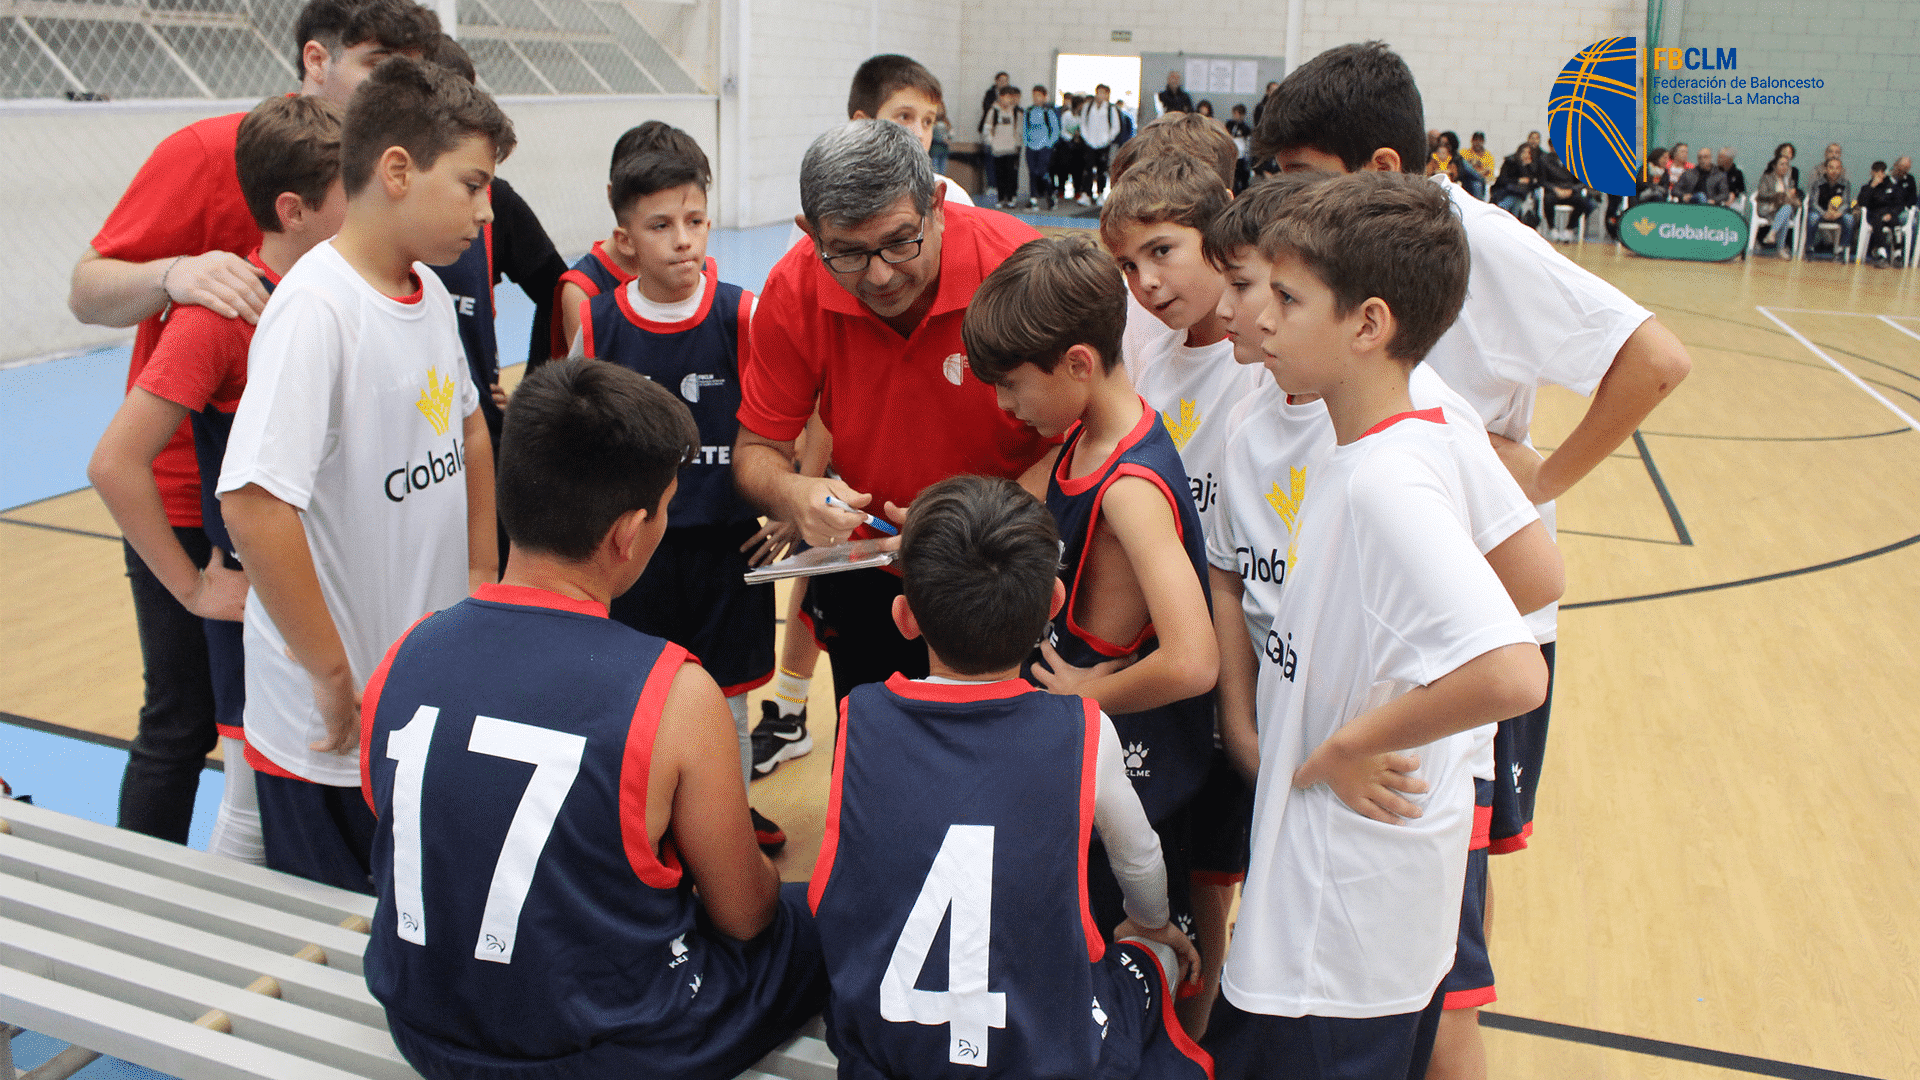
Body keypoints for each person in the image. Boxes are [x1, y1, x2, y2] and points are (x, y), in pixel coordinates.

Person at [1251, 42, 1690, 1078]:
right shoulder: (1361, 403)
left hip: (1463, 641)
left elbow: (1655, 359)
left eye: (1303, 180)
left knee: (1446, 963)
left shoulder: (1477, 243)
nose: (1282, 206)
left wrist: (1534, 483)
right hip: (1393, 621)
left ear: (1387, 168)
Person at [361, 359, 827, 1080]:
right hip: (600, 1054)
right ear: (629, 532)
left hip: (421, 1027)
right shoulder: (672, 691)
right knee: (816, 911)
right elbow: (744, 916)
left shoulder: (404, 653)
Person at [1198, 176, 1563, 1048]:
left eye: (1287, 299)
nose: (1262, 319)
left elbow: (1515, 671)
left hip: (1337, 934)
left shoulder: (1383, 484)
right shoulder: (1414, 429)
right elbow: (1535, 567)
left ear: (1367, 325)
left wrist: (1354, 739)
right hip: (1361, 913)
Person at [66, 0, 438, 848]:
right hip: (199, 497)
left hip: (309, 498)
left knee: (282, 739)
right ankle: (146, 910)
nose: (402, 87)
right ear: (317, 61)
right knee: (189, 722)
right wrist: (175, 271)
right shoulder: (206, 157)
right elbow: (87, 289)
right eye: (380, 65)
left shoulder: (393, 175)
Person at [216, 56, 511, 891]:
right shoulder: (317, 310)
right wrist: (329, 671)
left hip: (412, 697)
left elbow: (469, 433)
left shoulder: (422, 287)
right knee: (338, 944)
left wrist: (480, 573)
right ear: (395, 171)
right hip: (330, 730)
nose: (486, 212)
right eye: (472, 185)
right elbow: (252, 503)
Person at [809, 473, 1210, 1078]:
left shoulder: (856, 718)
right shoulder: (1082, 725)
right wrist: (1150, 925)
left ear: (904, 617)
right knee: (1157, 949)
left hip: (889, 1047)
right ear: (1053, 603)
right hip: (1047, 1052)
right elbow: (1141, 862)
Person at [86, 95, 348, 866]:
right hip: (253, 598)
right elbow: (113, 462)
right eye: (352, 191)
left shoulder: (335, 298)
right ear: (295, 210)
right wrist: (193, 588)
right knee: (244, 799)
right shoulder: (221, 315)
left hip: (316, 585)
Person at [964, 234, 1219, 965]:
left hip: (1137, 768)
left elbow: (1195, 661)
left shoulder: (1131, 489)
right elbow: (1021, 498)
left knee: (1128, 950)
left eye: (1011, 384)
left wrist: (1084, 695)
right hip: (1095, 746)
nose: (1004, 404)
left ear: (1077, 363)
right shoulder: (1086, 433)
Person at [733, 119, 1054, 702]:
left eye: (900, 241)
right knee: (878, 758)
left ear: (935, 203)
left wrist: (970, 529)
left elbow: (1087, 442)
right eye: (848, 253)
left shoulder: (1016, 268)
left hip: (1010, 566)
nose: (880, 275)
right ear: (810, 234)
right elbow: (756, 455)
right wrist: (793, 495)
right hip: (873, 575)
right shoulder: (794, 290)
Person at [572, 134, 788, 852]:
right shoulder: (597, 326)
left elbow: (805, 412)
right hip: (635, 553)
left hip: (728, 547)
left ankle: (731, 821)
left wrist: (788, 502)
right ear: (623, 234)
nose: (683, 240)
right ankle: (645, 828)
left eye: (695, 220)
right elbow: (572, 440)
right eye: (661, 225)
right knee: (637, 698)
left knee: (728, 702)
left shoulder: (743, 315)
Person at [554, 121, 713, 357]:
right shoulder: (584, 289)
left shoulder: (692, 264)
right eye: (661, 223)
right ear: (613, 194)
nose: (683, 239)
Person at [981, 85, 1024, 208]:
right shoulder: (993, 111)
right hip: (998, 149)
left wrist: (1017, 144)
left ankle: (1011, 198)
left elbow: (1019, 130)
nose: (1007, 100)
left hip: (1011, 149)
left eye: (1010, 97)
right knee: (999, 175)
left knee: (1011, 174)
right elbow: (987, 128)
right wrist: (991, 142)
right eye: (1005, 97)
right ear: (1000, 97)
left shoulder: (1016, 112)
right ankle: (1000, 198)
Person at [1080, 84, 1125, 203]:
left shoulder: (1111, 109)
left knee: (1102, 170)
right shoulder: (1088, 107)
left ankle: (1100, 193)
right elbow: (1083, 123)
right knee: (1088, 169)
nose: (1100, 95)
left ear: (1107, 95)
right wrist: (1087, 138)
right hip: (1090, 142)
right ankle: (1087, 194)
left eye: (1103, 93)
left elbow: (1116, 127)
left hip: (1104, 144)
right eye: (1098, 92)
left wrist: (1107, 139)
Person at [1856, 160, 1904, 266]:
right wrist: (1872, 186)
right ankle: (1882, 255)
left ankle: (1898, 255)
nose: (1880, 174)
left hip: (1890, 214)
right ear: (1872, 172)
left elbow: (1899, 204)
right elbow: (1862, 203)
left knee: (1896, 223)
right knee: (1877, 222)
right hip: (1875, 215)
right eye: (1877, 171)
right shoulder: (1867, 187)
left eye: (1882, 171)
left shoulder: (1892, 186)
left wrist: (1891, 214)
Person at [1023, 84, 1063, 209]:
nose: (1036, 98)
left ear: (1045, 97)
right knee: (1032, 173)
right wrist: (1027, 142)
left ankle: (1051, 196)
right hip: (1031, 147)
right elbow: (1025, 128)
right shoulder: (1029, 111)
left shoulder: (1048, 112)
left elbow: (1055, 130)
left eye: (1039, 96)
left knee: (1043, 172)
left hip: (1044, 147)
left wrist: (1049, 144)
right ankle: (1033, 198)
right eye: (1034, 96)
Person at [1756, 154, 1802, 256]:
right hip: (1768, 207)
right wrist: (1779, 195)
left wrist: (1789, 196)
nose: (1785, 167)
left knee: (1787, 209)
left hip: (1782, 209)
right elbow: (1762, 194)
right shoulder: (1767, 178)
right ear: (1774, 166)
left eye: (1787, 164)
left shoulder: (1789, 181)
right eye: (1782, 164)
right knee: (1786, 212)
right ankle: (1780, 249)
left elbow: (1792, 198)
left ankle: (1772, 233)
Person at [1809, 156, 1855, 257]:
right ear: (1826, 169)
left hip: (1837, 214)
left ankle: (1841, 249)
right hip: (1821, 213)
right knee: (1812, 217)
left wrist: (1839, 213)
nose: (1834, 171)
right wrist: (1824, 213)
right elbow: (1813, 203)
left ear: (1841, 169)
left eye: (1837, 168)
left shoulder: (1845, 184)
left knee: (1849, 219)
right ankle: (1809, 246)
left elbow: (1846, 203)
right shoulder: (1817, 183)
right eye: (1831, 168)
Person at [1490, 143, 1539, 221]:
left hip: (1520, 194)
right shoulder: (1510, 162)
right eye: (1524, 152)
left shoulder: (1531, 167)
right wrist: (1518, 180)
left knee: (1516, 200)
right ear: (1519, 152)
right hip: (1504, 192)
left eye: (1529, 153)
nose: (1526, 155)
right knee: (1513, 200)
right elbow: (1502, 180)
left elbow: (1534, 183)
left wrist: (1527, 167)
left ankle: (1509, 221)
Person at [1225, 104, 1254, 192]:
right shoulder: (1229, 124)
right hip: (1230, 153)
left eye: (1238, 114)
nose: (1236, 116)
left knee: (1242, 175)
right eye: (1235, 113)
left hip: (1240, 156)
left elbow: (1247, 144)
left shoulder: (1245, 129)